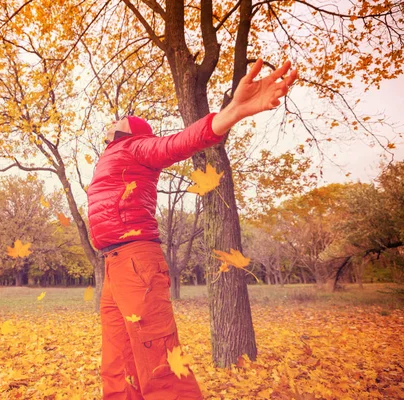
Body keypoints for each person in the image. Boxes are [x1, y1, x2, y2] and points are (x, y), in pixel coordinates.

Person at [87, 59, 298, 399]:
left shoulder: (136, 146)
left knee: (160, 364)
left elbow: (177, 143)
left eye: (118, 122)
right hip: (114, 264)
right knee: (117, 363)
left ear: (131, 129)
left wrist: (232, 112)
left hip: (135, 261)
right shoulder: (112, 156)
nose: (112, 124)